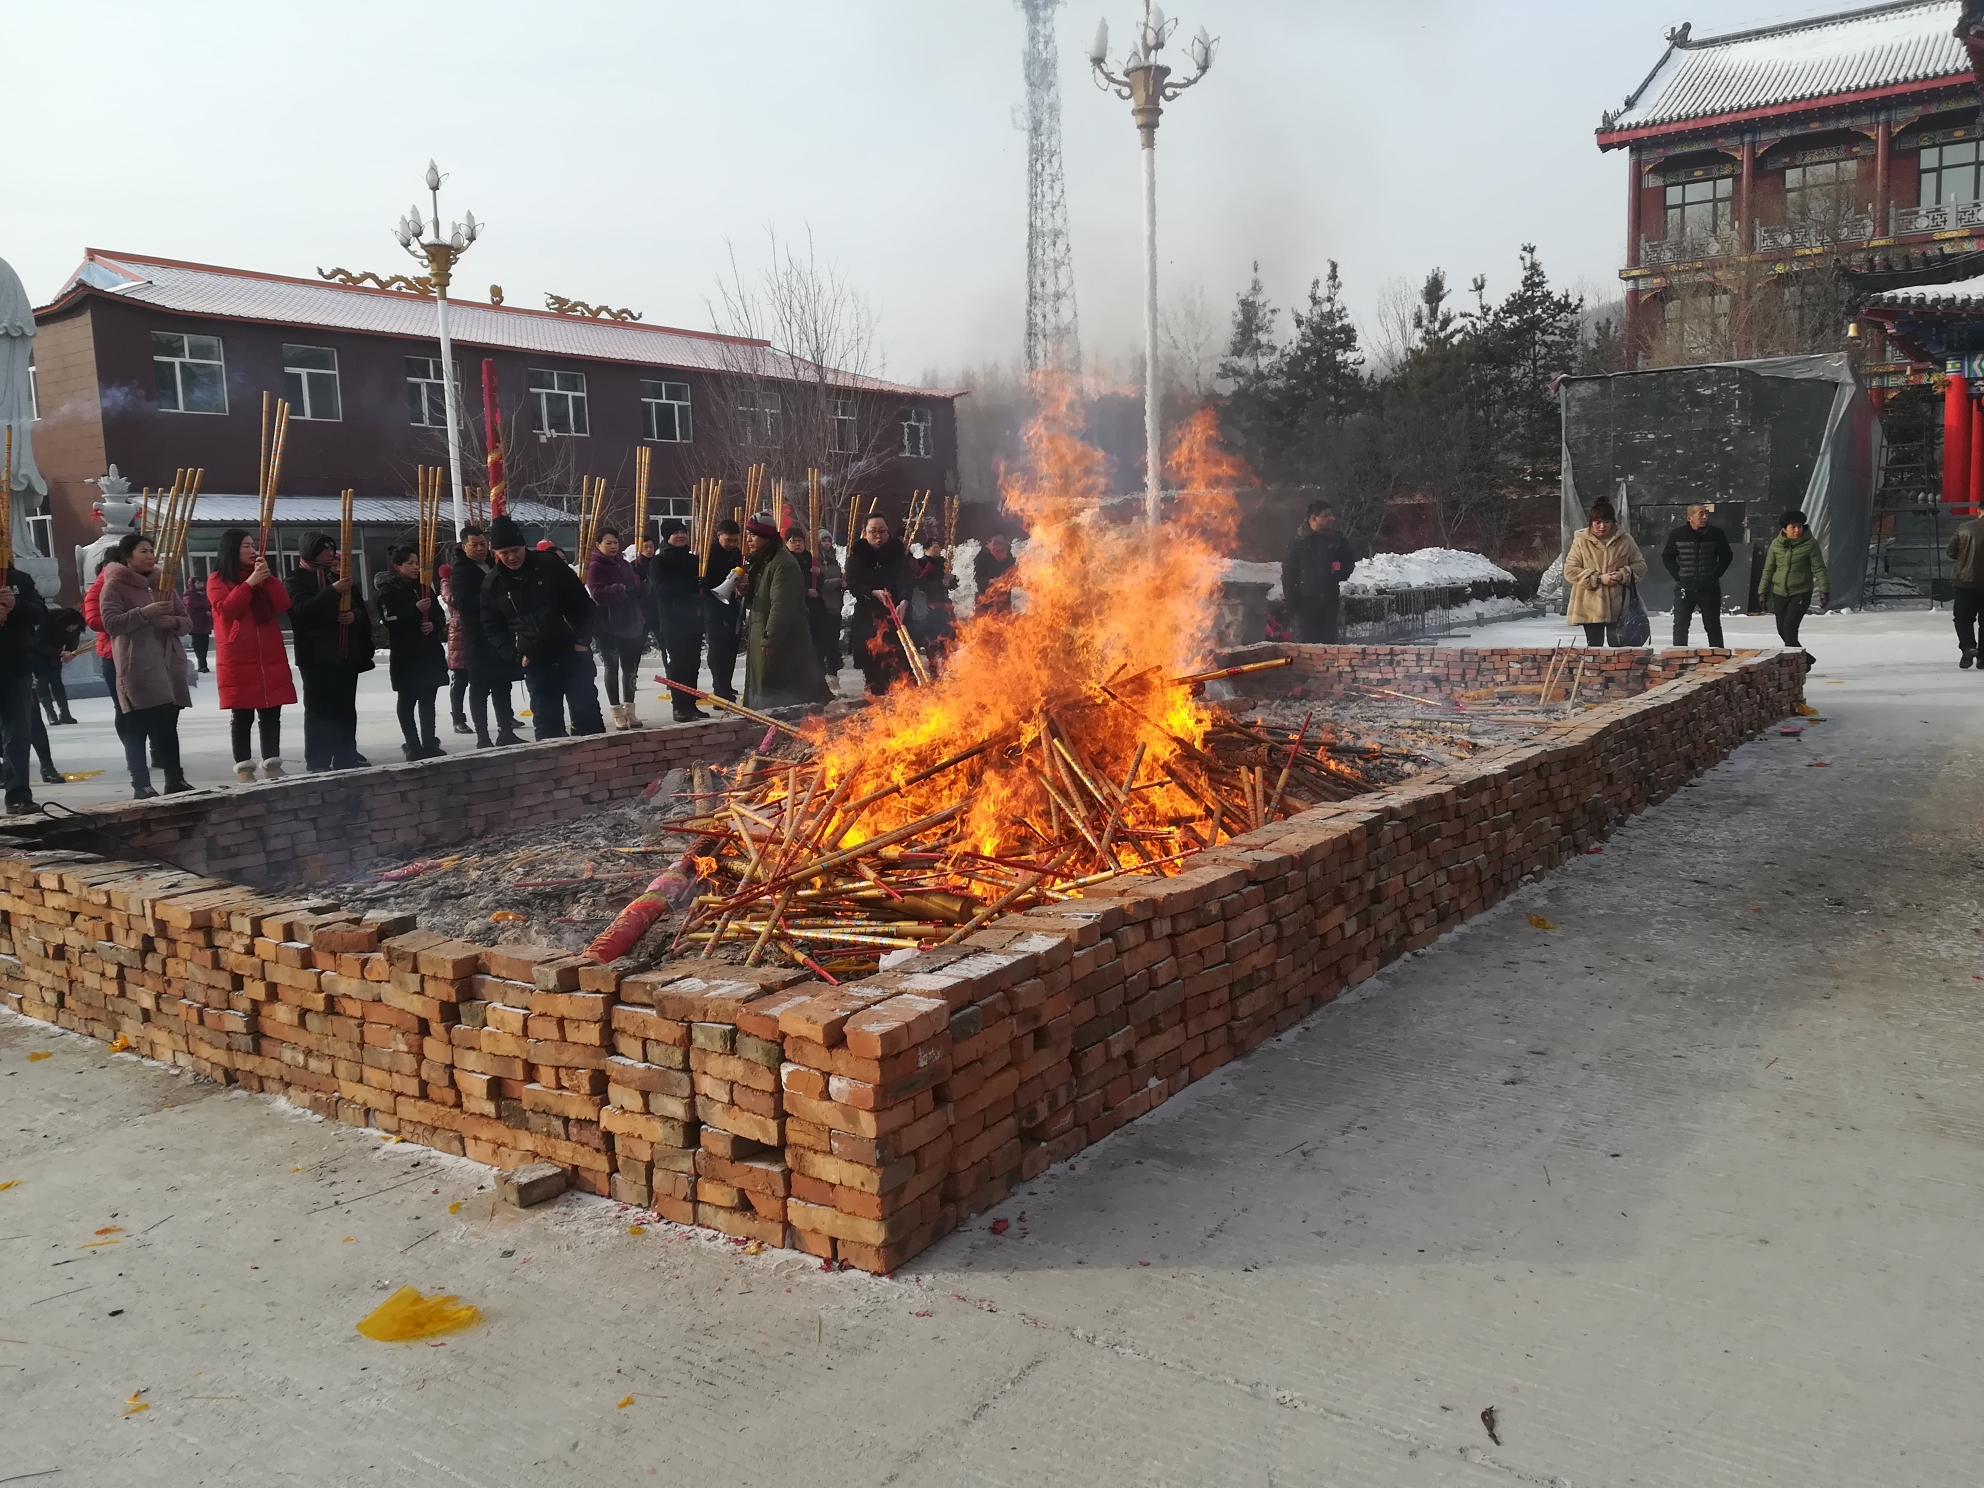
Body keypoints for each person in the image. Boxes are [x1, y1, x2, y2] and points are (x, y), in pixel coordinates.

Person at [481, 512, 604, 738]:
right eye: (504, 553)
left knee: (587, 717)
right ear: (495, 553)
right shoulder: (493, 584)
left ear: (524, 547)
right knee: (547, 724)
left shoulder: (549, 565)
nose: (511, 557)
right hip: (535, 658)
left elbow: (583, 604)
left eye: (515, 551)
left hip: (571, 652)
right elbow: (492, 626)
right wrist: (515, 655)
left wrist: (582, 640)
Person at [97, 532, 192, 799]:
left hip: (168, 662)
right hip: (137, 663)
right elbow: (111, 623)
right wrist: (143, 614)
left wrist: (172, 623)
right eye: (143, 551)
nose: (150, 556)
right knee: (137, 726)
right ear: (128, 558)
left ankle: (175, 778)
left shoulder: (164, 583)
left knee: (168, 724)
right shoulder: (114, 585)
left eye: (151, 551)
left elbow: (185, 619)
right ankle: (141, 784)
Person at [208, 529, 295, 781]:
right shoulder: (217, 579)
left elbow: (282, 604)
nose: (252, 550)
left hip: (268, 653)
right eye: (246, 545)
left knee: (271, 710)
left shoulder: (262, 578)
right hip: (238, 655)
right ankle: (244, 766)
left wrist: (267, 579)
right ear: (232, 549)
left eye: (253, 545)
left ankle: (272, 761)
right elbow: (226, 609)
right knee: (242, 712)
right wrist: (249, 584)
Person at [284, 532, 375, 771]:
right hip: (316, 656)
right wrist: (332, 590)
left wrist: (352, 615)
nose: (329, 553)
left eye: (331, 548)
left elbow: (361, 611)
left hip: (345, 653)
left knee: (345, 708)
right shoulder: (295, 580)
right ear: (309, 550)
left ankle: (345, 754)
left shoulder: (338, 578)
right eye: (323, 549)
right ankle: (318, 760)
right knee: (319, 710)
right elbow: (302, 610)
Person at [741, 516, 832, 710]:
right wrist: (745, 590)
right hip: (763, 630)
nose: (748, 539)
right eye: (748, 534)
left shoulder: (783, 564)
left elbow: (781, 605)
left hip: (783, 639)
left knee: (785, 693)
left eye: (753, 535)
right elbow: (761, 598)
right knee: (766, 687)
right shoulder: (764, 560)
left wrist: (770, 638)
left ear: (765, 536)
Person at [448, 524, 525, 749]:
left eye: (483, 544)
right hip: (476, 636)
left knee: (503, 684)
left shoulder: (494, 564)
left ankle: (506, 730)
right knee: (479, 687)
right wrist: (493, 602)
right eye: (475, 545)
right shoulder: (460, 570)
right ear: (464, 546)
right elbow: (464, 603)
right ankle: (483, 736)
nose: (480, 549)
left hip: (500, 633)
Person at [377, 545, 449, 760]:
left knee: (429, 699)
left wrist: (434, 625)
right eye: (410, 563)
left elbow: (439, 615)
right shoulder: (388, 590)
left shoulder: (425, 586)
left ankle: (429, 741)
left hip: (428, 650)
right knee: (408, 699)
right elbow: (390, 620)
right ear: (397, 566)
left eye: (417, 563)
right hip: (406, 652)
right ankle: (412, 743)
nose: (415, 567)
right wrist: (415, 610)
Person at [845, 513, 916, 697]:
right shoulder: (856, 556)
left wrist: (903, 601)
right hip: (869, 616)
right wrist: (872, 592)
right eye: (873, 531)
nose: (878, 536)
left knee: (903, 665)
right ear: (864, 533)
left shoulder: (898, 554)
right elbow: (853, 584)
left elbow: (906, 580)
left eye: (882, 531)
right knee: (874, 665)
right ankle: (876, 697)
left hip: (896, 614)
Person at [586, 525, 649, 730]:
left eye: (615, 542)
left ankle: (630, 709)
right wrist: (622, 589)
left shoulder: (624, 563)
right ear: (598, 544)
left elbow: (639, 591)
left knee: (630, 669)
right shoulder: (596, 566)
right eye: (608, 543)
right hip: (608, 626)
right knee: (612, 668)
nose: (613, 547)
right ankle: (616, 710)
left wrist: (642, 581)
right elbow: (597, 594)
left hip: (630, 623)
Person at [0, 553, 49, 814]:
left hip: (16, 667)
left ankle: (18, 795)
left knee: (18, 733)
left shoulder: (19, 580)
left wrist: (15, 603)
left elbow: (40, 613)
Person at [1564, 497, 1648, 647]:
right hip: (1590, 606)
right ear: (1591, 523)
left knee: (1619, 650)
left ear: (1613, 522)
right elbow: (1570, 570)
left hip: (1620, 606)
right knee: (1595, 651)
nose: (1602, 526)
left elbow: (1640, 565)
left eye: (1607, 522)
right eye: (1598, 522)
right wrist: (1598, 578)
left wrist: (1623, 574)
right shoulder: (1581, 541)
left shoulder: (1625, 540)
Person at [650, 520, 707, 723]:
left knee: (693, 664)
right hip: (673, 620)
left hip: (693, 619)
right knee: (679, 664)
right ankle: (679, 706)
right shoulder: (659, 561)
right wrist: (689, 591)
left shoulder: (694, 560)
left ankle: (691, 704)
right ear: (667, 537)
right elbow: (661, 590)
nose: (681, 535)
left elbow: (701, 584)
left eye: (683, 532)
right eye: (675, 533)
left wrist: (702, 587)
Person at [1282, 501, 1357, 644]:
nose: (1331, 519)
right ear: (1314, 518)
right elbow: (1288, 574)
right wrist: (1292, 604)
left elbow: (1349, 564)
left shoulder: (1337, 540)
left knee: (1329, 645)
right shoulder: (1297, 541)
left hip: (1329, 602)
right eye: (1326, 516)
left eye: (1331, 515)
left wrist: (1340, 570)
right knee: (1307, 645)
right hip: (1304, 605)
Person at [1661, 504, 1734, 649]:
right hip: (1685, 588)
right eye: (1701, 514)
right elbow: (1667, 556)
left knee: (1712, 625)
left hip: (1709, 588)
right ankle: (1679, 657)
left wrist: (1714, 575)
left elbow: (1727, 556)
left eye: (1706, 514)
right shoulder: (1677, 534)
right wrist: (1678, 575)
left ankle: (1718, 659)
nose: (1705, 517)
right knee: (1681, 625)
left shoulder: (1716, 533)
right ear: (1690, 518)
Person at [1757, 509, 1828, 654]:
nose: (1797, 530)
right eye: (1793, 527)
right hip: (1779, 592)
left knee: (1789, 628)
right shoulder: (1776, 545)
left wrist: (1824, 589)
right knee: (1782, 630)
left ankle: (1798, 662)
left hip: (1800, 592)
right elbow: (1768, 569)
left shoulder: (1810, 544)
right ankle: (1804, 659)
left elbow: (1819, 568)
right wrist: (1762, 591)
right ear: (1784, 529)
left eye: (1800, 526)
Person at [702, 519, 744, 702]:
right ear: (719, 535)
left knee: (731, 647)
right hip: (712, 605)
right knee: (718, 648)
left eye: (735, 540)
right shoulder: (707, 553)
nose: (732, 544)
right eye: (729, 540)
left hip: (731, 605)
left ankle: (726, 684)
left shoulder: (736, 553)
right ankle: (719, 688)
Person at [31, 604, 84, 726]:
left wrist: (71, 653)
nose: (71, 630)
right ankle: (51, 714)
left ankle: (65, 713)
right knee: (42, 682)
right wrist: (59, 652)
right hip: (38, 656)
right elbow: (37, 644)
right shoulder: (47, 621)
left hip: (56, 656)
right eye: (70, 628)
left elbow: (72, 642)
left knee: (57, 682)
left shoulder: (75, 627)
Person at [439, 561, 473, 734]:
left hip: (476, 630)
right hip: (459, 633)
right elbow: (452, 599)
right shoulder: (448, 580)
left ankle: (505, 715)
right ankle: (458, 718)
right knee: (460, 679)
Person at [910, 551, 957, 672]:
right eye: (933, 546)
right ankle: (932, 666)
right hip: (929, 607)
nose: (937, 549)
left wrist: (950, 580)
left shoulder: (943, 563)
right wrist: (939, 583)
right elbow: (921, 583)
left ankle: (946, 664)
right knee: (932, 638)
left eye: (938, 546)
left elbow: (951, 585)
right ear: (927, 549)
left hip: (943, 604)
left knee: (947, 635)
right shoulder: (922, 563)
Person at [1949, 510, 1984, 668]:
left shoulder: (1964, 528)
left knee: (1962, 619)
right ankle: (1982, 658)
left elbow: (1951, 551)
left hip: (1965, 582)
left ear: (1979, 511)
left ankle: (1968, 647)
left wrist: (1964, 558)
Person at [813, 527, 846, 682]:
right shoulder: (816, 560)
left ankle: (833, 677)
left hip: (835, 606)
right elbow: (819, 584)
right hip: (823, 605)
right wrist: (838, 582)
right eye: (823, 540)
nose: (827, 543)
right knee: (823, 644)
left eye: (828, 540)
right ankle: (821, 678)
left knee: (833, 644)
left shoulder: (833, 558)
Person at [973, 533, 1017, 615]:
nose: (1001, 546)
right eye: (998, 543)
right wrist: (992, 581)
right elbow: (979, 580)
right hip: (985, 601)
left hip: (1003, 601)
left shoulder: (1008, 557)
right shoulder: (982, 557)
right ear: (990, 544)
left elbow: (1012, 574)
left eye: (1003, 543)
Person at [184, 578, 213, 673]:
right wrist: (204, 605)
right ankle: (202, 665)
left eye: (201, 582)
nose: (200, 584)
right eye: (198, 582)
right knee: (198, 645)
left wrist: (209, 611)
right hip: (195, 623)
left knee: (205, 645)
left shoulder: (206, 593)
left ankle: (203, 664)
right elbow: (190, 604)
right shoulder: (188, 594)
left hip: (205, 623)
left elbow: (211, 603)